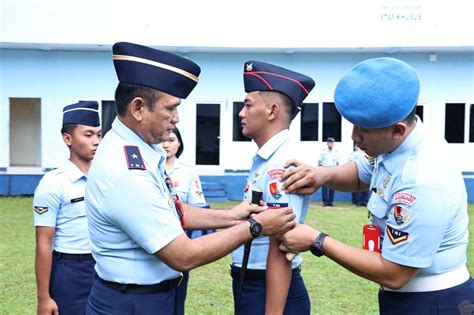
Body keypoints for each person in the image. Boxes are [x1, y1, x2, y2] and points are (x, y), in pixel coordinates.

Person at [84, 42, 296, 314]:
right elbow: (182, 255)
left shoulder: (141, 149)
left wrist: (232, 216)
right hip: (134, 302)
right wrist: (254, 227)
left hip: (150, 296)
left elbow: (169, 210)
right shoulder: (126, 170)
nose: (177, 118)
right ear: (138, 108)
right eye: (170, 109)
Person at [278, 57, 474, 314]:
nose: (354, 137)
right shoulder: (398, 144)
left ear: (398, 130)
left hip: (434, 302)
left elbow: (395, 274)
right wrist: (322, 175)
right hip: (406, 298)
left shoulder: (422, 177)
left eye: (363, 130)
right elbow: (363, 173)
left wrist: (317, 240)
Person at [231, 60, 315, 315]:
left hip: (269, 288)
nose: (241, 113)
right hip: (254, 282)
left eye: (248, 105)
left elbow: (281, 245)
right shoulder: (265, 158)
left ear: (272, 111)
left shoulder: (281, 163)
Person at [33, 101, 101, 315]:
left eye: (99, 135)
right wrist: (44, 298)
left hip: (105, 267)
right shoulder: (53, 183)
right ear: (67, 138)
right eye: (88, 135)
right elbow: (44, 242)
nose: (96, 141)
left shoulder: (105, 179)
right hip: (71, 271)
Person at [159, 125, 213, 315]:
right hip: (154, 241)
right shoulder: (149, 169)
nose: (166, 145)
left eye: (171, 140)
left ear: (179, 143)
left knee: (178, 294)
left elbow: (199, 208)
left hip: (179, 242)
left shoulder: (188, 172)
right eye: (163, 139)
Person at [318, 137, 339, 206]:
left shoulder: (336, 152)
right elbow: (319, 162)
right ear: (327, 143)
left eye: (332, 142)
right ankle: (325, 202)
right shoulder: (323, 152)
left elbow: (337, 163)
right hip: (325, 170)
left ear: (333, 144)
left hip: (333, 170)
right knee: (325, 187)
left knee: (332, 187)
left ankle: (331, 202)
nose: (331, 144)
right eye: (329, 142)